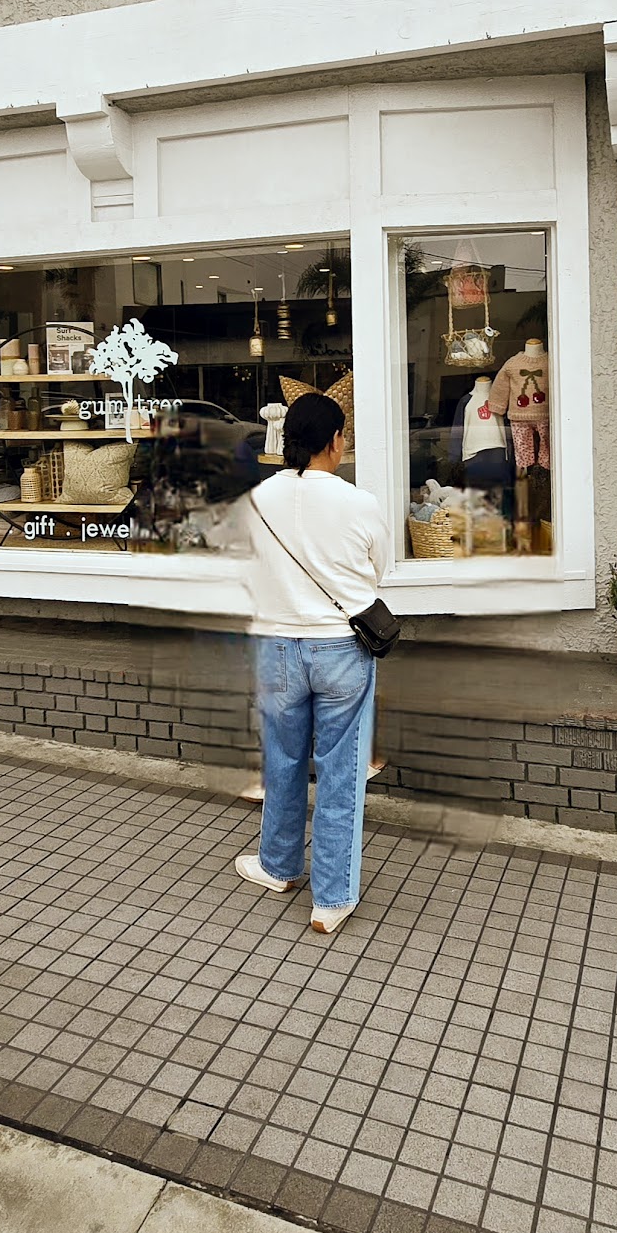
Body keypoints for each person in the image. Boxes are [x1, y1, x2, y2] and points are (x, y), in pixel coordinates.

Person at [235, 391, 390, 934]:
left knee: (282, 760)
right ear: (335, 441)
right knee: (341, 771)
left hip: (276, 644)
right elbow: (377, 570)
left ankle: (277, 866)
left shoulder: (257, 500)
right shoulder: (359, 502)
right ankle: (331, 898)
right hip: (340, 647)